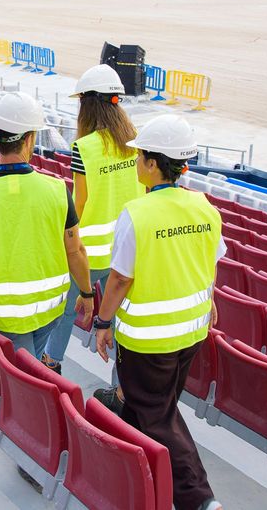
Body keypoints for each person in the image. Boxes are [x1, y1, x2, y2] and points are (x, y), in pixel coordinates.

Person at [92, 115, 224, 510]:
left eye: (139, 157)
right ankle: (135, 477)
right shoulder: (203, 207)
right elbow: (210, 263)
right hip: (192, 336)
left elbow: (119, 280)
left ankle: (199, 499)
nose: (135, 164)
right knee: (147, 409)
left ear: (153, 163)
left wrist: (102, 322)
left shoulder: (138, 213)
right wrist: (211, 300)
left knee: (159, 416)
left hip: (148, 341)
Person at [0, 92, 93, 357]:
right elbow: (75, 251)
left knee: (23, 369)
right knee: (30, 374)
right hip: (49, 308)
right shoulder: (57, 190)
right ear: (30, 138)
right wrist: (88, 295)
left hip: (3, 313)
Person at [41, 64, 143, 375]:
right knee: (124, 317)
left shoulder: (83, 148)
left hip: (91, 252)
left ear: (88, 105)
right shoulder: (136, 141)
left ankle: (51, 363)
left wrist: (66, 239)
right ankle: (122, 382)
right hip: (128, 249)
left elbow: (80, 202)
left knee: (67, 309)